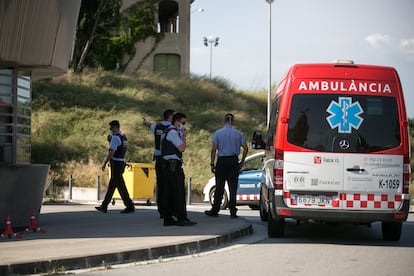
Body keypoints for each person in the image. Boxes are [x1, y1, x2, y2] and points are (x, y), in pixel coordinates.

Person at [205, 113, 248, 218]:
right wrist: (242, 161)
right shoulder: (238, 133)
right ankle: (233, 211)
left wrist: (212, 163)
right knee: (233, 187)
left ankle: (215, 210)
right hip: (233, 161)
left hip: (222, 161)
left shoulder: (218, 133)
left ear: (224, 121)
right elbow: (245, 148)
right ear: (232, 121)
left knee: (219, 186)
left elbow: (214, 149)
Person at [160, 112, 196, 226]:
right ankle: (181, 218)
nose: (184, 125)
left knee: (168, 192)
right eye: (183, 123)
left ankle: (168, 217)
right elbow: (181, 148)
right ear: (177, 122)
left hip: (167, 164)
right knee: (178, 192)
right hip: (173, 165)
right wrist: (184, 136)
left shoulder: (167, 131)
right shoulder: (173, 133)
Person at [95, 120, 135, 214]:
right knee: (112, 186)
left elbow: (112, 152)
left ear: (115, 127)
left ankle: (130, 206)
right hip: (121, 163)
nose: (110, 130)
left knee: (121, 186)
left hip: (116, 164)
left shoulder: (115, 138)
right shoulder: (124, 137)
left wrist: (105, 162)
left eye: (111, 128)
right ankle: (104, 206)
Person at [143, 109, 175, 218]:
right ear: (170, 117)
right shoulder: (172, 128)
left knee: (160, 184)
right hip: (168, 159)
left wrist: (145, 122)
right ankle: (169, 209)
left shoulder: (157, 127)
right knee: (169, 184)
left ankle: (161, 209)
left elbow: (150, 126)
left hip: (158, 158)